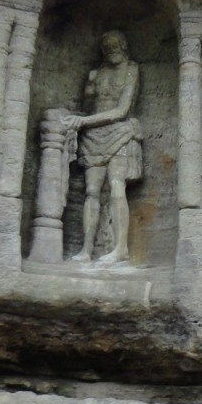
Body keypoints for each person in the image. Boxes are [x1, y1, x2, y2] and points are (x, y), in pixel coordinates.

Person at [69, 30, 143, 265]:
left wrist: (84, 122)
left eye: (116, 47)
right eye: (107, 48)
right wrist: (89, 92)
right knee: (91, 191)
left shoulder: (132, 69)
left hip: (120, 132)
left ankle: (120, 248)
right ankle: (86, 248)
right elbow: (89, 106)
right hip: (94, 136)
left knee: (116, 186)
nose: (112, 52)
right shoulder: (97, 73)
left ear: (123, 47)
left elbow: (122, 110)